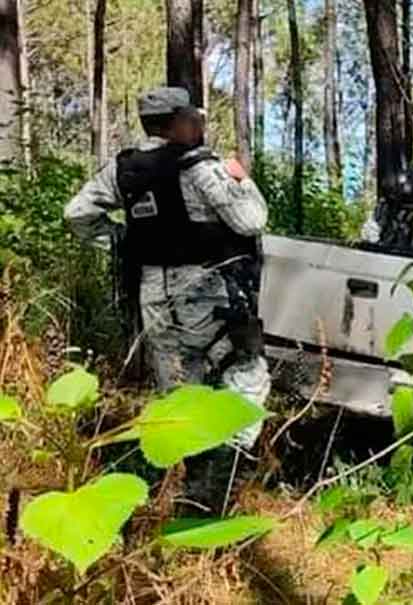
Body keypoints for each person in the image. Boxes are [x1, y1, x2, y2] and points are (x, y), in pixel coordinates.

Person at [64, 87, 270, 514]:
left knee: (177, 393)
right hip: (205, 291)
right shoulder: (199, 167)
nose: (199, 123)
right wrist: (240, 177)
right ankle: (211, 492)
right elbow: (250, 221)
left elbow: (77, 215)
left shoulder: (122, 170)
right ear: (175, 122)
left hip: (153, 296)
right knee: (246, 377)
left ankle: (153, 495)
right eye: (193, 116)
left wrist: (122, 241)